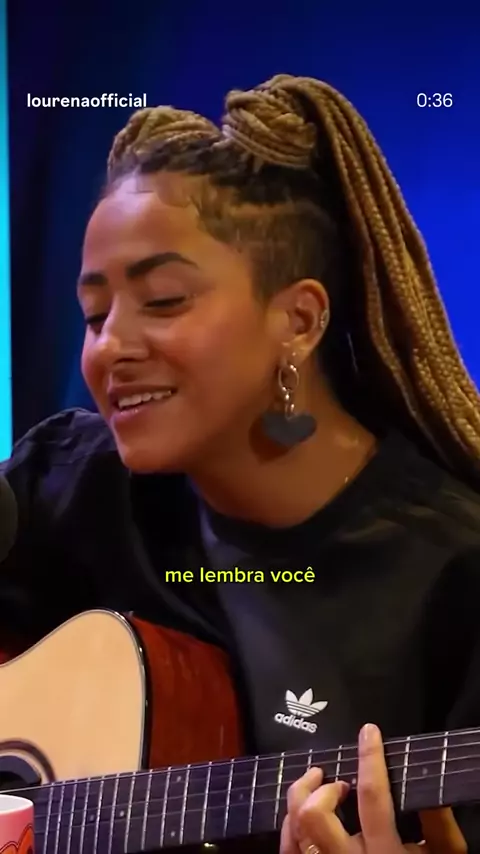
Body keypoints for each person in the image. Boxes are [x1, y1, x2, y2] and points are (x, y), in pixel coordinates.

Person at [1, 73, 479, 854]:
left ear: (299, 319)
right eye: (94, 314)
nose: (109, 347)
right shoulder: (66, 487)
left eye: (163, 301)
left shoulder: (454, 573)